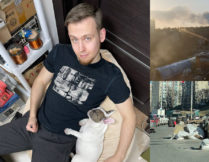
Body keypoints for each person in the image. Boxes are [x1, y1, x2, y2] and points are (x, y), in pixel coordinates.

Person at [0, 3, 136, 162]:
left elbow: (130, 116)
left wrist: (118, 156)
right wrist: (32, 116)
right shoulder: (60, 52)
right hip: (32, 121)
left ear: (101, 35)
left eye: (87, 38)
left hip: (57, 141)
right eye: (74, 39)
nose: (81, 48)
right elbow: (41, 81)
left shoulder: (111, 76)